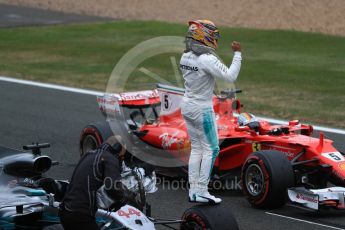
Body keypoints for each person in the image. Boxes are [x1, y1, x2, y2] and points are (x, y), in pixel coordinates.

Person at [180, 19, 242, 204]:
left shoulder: (185, 56)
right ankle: (202, 190)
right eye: (213, 35)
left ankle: (193, 190)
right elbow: (230, 76)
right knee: (212, 149)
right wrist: (238, 54)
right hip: (202, 109)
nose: (215, 38)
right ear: (203, 35)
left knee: (197, 148)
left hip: (187, 105)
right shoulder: (206, 59)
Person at [59, 135, 132, 230]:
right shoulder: (110, 158)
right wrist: (126, 197)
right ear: (117, 148)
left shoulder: (88, 154)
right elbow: (113, 188)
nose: (121, 159)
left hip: (65, 211)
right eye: (122, 156)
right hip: (80, 215)